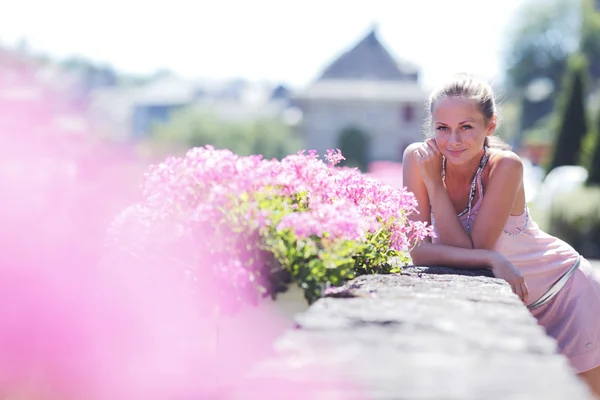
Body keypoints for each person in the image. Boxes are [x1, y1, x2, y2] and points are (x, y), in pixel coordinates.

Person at [402, 73, 600, 396]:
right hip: (518, 305)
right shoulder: (418, 159)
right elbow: (417, 249)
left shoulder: (506, 166)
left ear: (490, 126)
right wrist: (492, 258)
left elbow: (472, 249)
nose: (453, 140)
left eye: (466, 127)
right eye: (442, 128)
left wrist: (434, 187)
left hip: (568, 296)